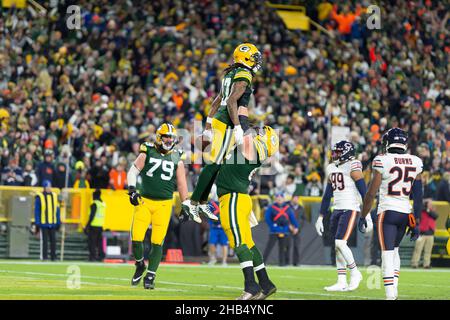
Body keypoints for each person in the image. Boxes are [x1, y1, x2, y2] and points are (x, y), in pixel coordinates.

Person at [182, 43, 263, 222]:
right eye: (255, 57)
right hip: (226, 121)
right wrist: (237, 127)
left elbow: (218, 100)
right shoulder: (244, 74)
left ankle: (202, 201)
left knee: (217, 165)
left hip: (220, 120)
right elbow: (232, 101)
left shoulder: (231, 73)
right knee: (213, 164)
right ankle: (193, 201)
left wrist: (209, 125)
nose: (257, 61)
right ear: (246, 58)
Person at [126, 123, 199, 289]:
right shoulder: (148, 151)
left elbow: (181, 183)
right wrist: (132, 190)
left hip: (164, 204)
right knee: (136, 238)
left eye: (171, 137)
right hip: (144, 201)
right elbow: (133, 171)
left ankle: (151, 275)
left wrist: (186, 203)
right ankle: (139, 265)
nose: (168, 139)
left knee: (157, 241)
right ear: (159, 137)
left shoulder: (177, 157)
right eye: (166, 136)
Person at [215, 125, 279, 300]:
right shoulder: (255, 150)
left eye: (260, 132)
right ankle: (266, 284)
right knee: (248, 244)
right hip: (240, 198)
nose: (256, 131)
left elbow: (239, 129)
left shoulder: (252, 148)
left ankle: (251, 286)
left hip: (233, 198)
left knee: (239, 243)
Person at [359, 128, 423, 300]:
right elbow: (418, 196)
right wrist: (417, 220)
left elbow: (371, 194)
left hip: (387, 212)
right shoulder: (415, 161)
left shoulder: (382, 160)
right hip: (405, 213)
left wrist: (363, 215)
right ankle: (394, 291)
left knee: (386, 254)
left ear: (387, 143)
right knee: (395, 251)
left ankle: (390, 296)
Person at [315, 140, 368, 292]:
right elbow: (327, 195)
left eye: (338, 152)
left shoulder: (354, 165)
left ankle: (355, 272)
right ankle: (341, 280)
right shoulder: (331, 167)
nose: (335, 154)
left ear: (346, 153)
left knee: (340, 243)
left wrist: (367, 215)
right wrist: (320, 217)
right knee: (337, 247)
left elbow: (364, 192)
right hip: (336, 208)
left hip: (350, 208)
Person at [263, 192, 299, 267]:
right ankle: (262, 262)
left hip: (284, 230)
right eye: (277, 198)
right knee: (269, 247)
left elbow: (292, 218)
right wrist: (273, 227)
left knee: (282, 248)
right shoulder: (271, 207)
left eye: (280, 197)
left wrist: (296, 227)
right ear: (275, 199)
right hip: (274, 230)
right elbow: (267, 218)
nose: (279, 199)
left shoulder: (287, 208)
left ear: (283, 199)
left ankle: (282, 263)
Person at [34, 180, 61, 261]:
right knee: (44, 241)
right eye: (47, 187)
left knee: (53, 240)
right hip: (43, 222)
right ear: (44, 187)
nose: (49, 188)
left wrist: (58, 221)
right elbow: (37, 210)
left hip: (53, 222)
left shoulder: (55, 196)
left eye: (49, 186)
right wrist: (37, 222)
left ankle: (53, 256)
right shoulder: (40, 197)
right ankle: (44, 256)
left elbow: (57, 209)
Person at [411, 199, 438, 269]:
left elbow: (435, 216)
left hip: (430, 234)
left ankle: (426, 264)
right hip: (421, 233)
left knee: (428, 251)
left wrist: (428, 209)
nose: (430, 205)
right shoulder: (421, 210)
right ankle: (414, 263)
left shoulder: (432, 211)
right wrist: (423, 206)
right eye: (429, 203)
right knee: (418, 249)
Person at [84, 189, 106, 262]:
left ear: (95, 195)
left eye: (93, 195)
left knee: (92, 242)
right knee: (99, 243)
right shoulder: (102, 204)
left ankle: (92, 257)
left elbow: (92, 216)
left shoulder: (94, 204)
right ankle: (101, 256)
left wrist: (87, 225)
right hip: (100, 226)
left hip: (93, 226)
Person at [207, 197, 229, 266]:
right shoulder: (211, 204)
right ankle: (212, 259)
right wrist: (211, 224)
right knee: (212, 243)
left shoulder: (225, 202)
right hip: (214, 227)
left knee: (224, 244)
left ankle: (224, 261)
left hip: (223, 227)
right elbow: (208, 214)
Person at [289, 195, 306, 266]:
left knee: (297, 246)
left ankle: (296, 262)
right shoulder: (288, 208)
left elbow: (303, 220)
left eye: (297, 199)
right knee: (287, 246)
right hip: (288, 229)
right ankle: (286, 262)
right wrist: (289, 226)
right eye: (294, 199)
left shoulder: (301, 208)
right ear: (292, 199)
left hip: (297, 230)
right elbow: (285, 217)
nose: (296, 200)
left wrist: (298, 228)